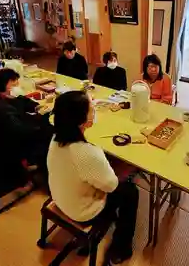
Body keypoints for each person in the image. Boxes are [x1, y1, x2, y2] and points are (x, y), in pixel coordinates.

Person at [48, 91, 138, 264]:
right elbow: (111, 185)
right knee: (130, 191)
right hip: (82, 212)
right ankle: (122, 248)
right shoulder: (86, 153)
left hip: (59, 197)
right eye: (91, 108)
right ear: (80, 120)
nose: (95, 109)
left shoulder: (56, 138)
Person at [0, 69, 53, 196]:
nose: (16, 85)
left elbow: (20, 101)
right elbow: (24, 132)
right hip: (2, 153)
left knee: (43, 130)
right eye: (13, 83)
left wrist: (35, 107)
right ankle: (47, 180)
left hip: (2, 141)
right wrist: (42, 118)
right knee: (48, 140)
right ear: (2, 85)